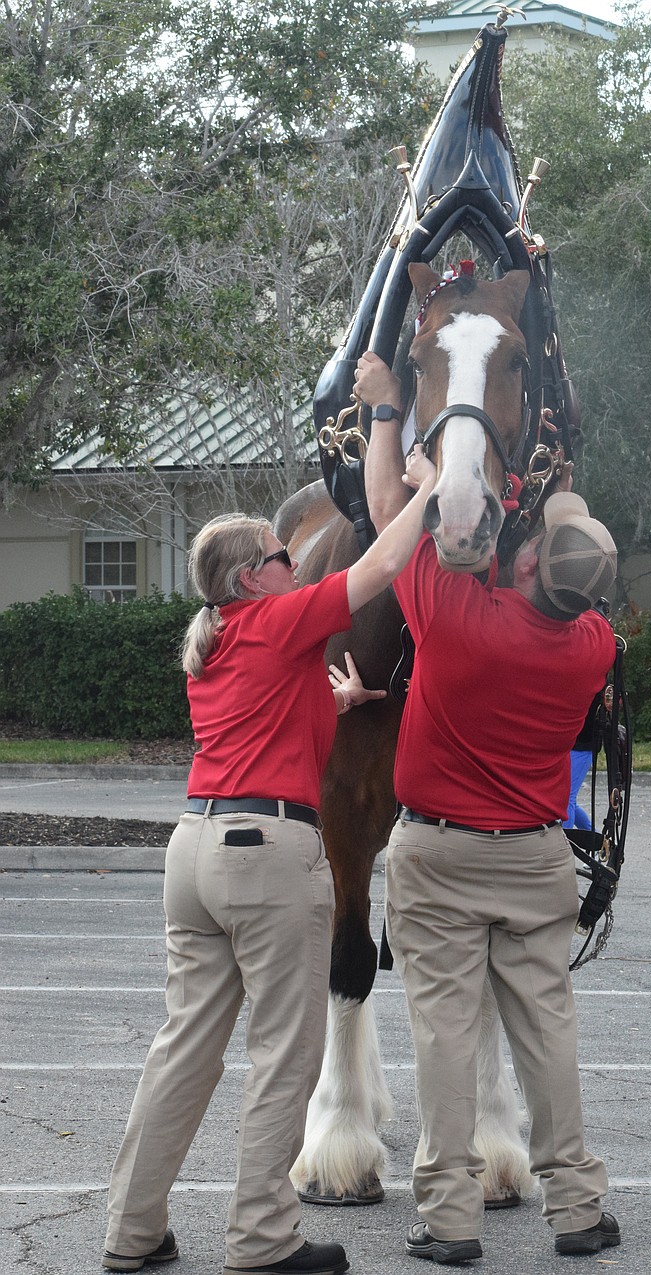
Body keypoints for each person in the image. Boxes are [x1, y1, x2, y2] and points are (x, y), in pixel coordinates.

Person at [101, 470, 436, 1275]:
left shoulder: (215, 643)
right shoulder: (281, 617)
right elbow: (381, 569)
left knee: (182, 1050)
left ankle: (131, 1229)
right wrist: (423, 491)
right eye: (284, 554)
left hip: (195, 849)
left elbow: (277, 715)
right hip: (267, 856)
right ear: (253, 576)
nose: (297, 563)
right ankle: (261, 1239)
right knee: (288, 1055)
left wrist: (347, 703)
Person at [356, 351, 621, 1264]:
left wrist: (408, 443)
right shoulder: (591, 643)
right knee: (547, 1034)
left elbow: (390, 523)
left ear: (529, 563)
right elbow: (562, 558)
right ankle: (577, 1209)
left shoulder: (456, 614)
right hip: (538, 858)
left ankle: (450, 1219)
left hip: (438, 858)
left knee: (443, 1035)